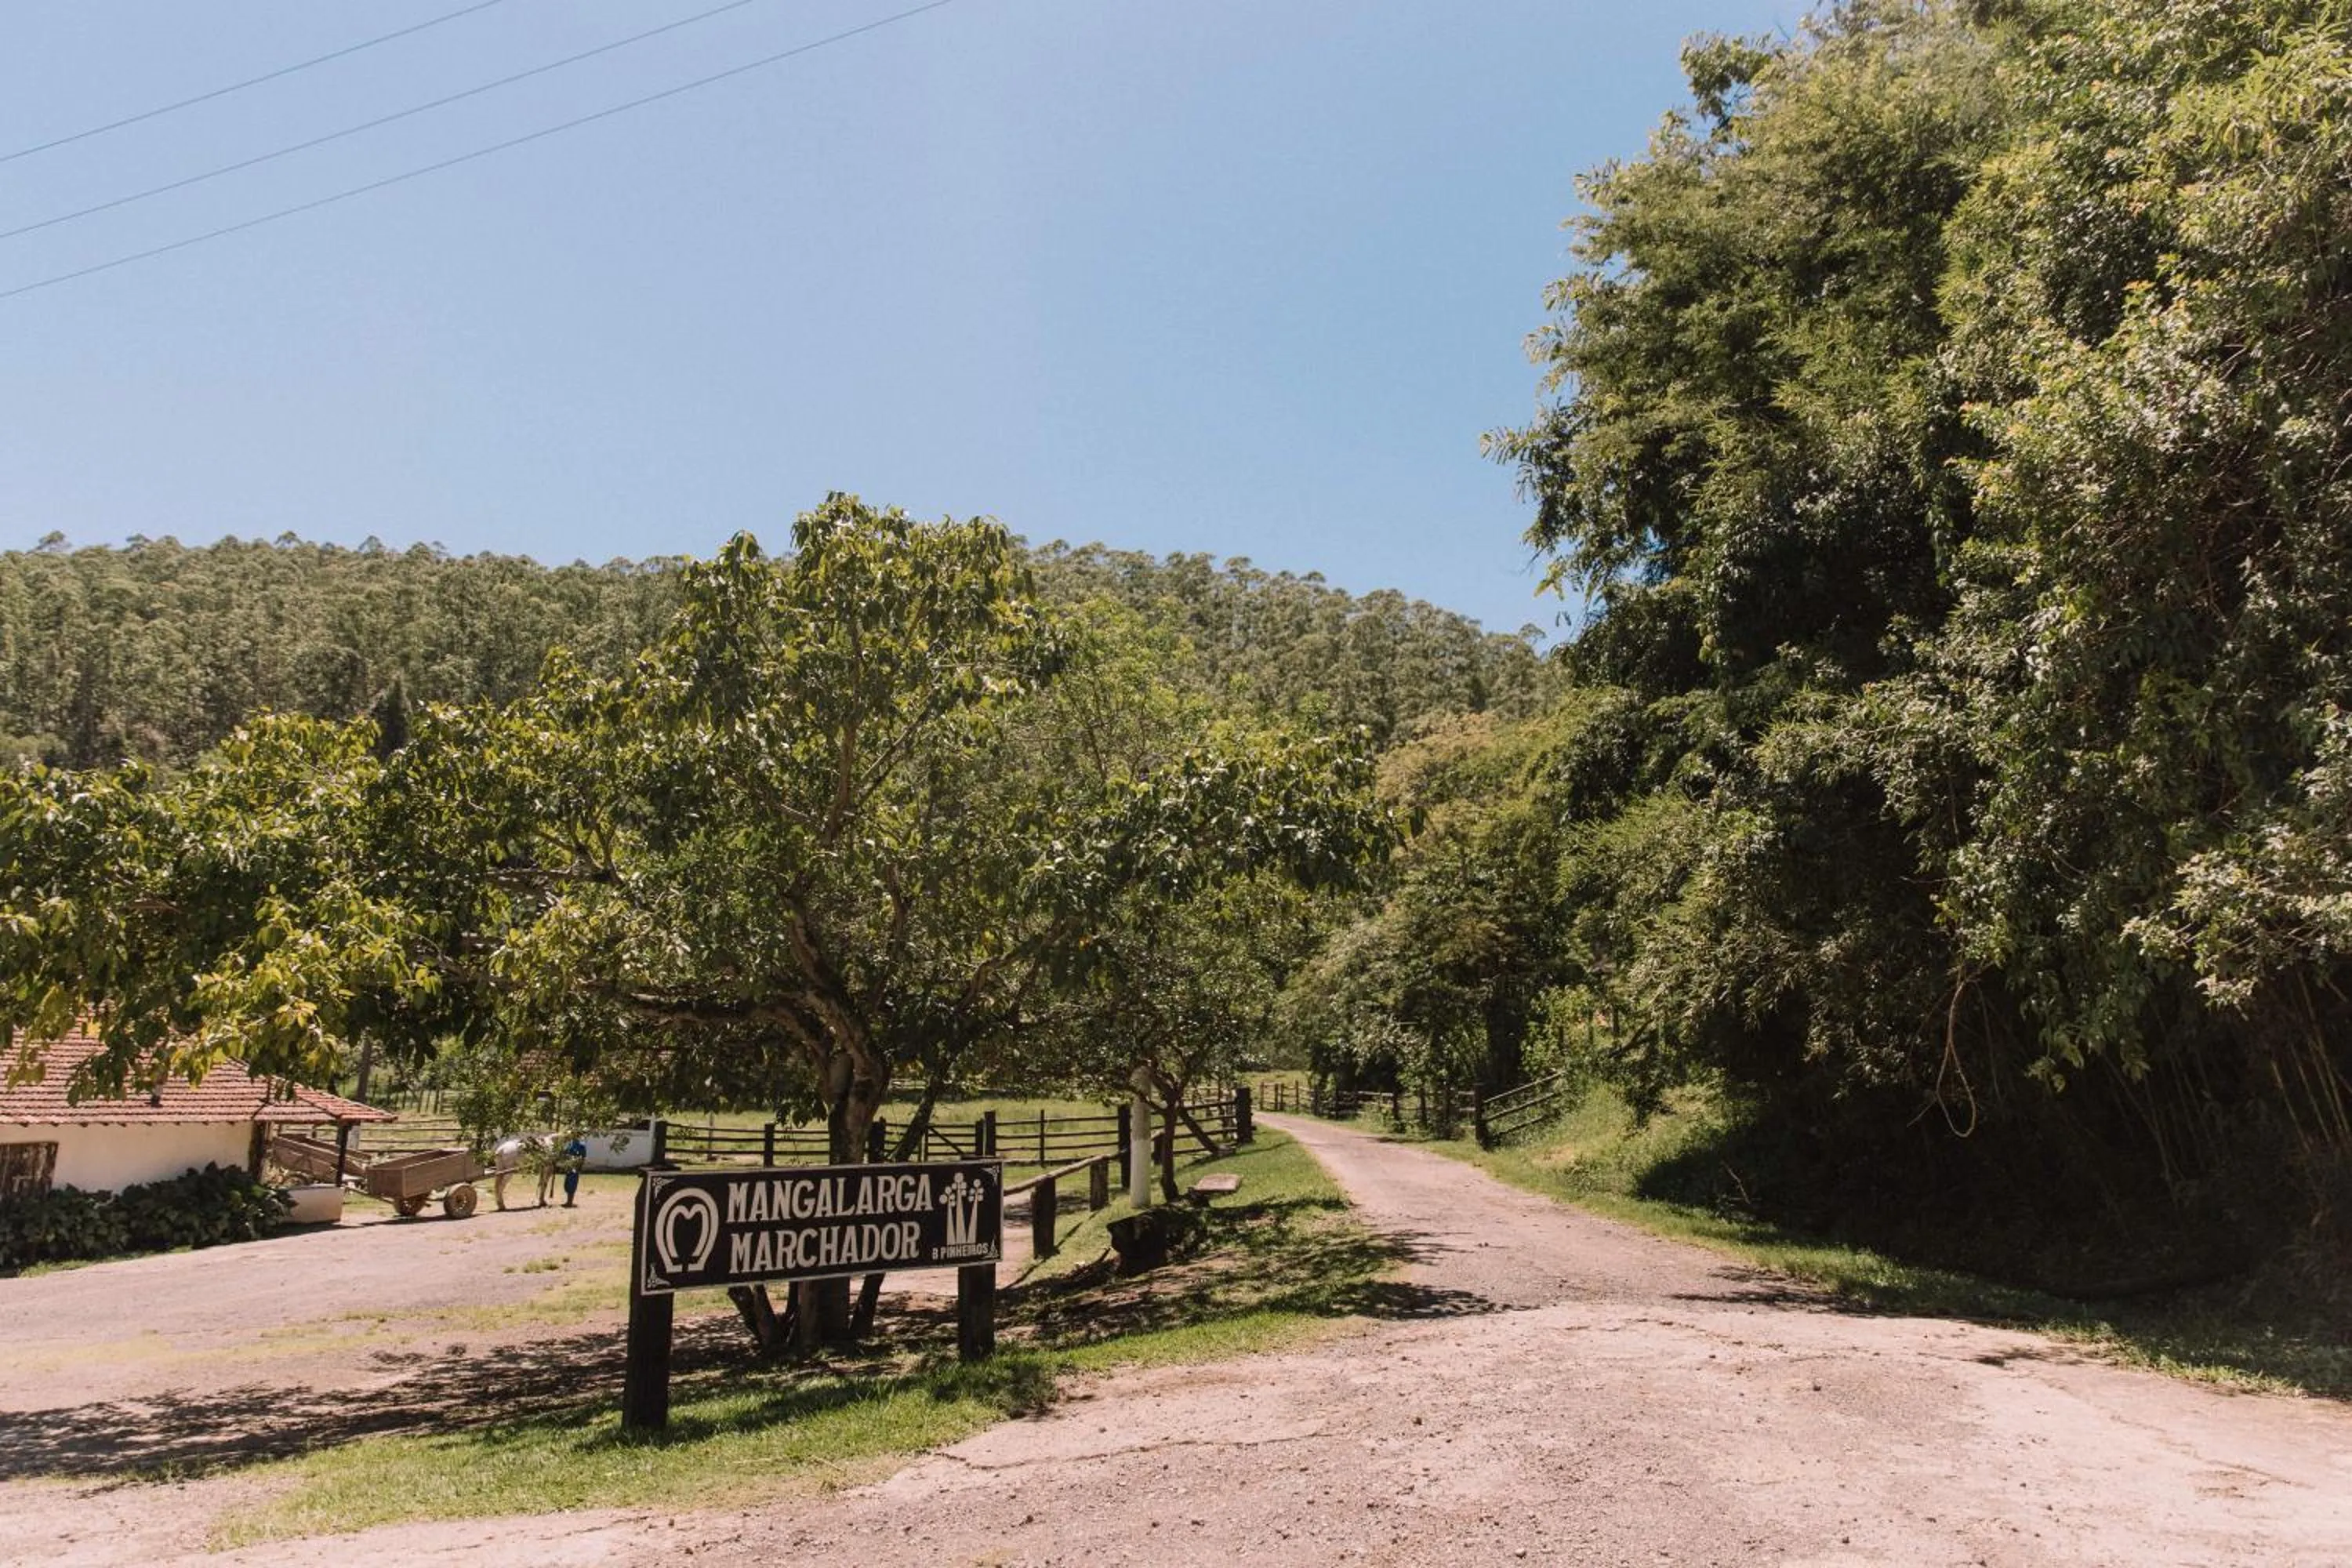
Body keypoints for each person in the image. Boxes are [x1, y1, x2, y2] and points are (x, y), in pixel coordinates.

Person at [561, 1134, 589, 1207]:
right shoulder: (570, 1144)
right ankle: (568, 1201)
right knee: (567, 1184)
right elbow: (565, 1153)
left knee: (572, 1184)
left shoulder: (581, 1145)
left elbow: (583, 1156)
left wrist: (579, 1166)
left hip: (575, 1167)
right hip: (569, 1167)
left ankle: (570, 1202)